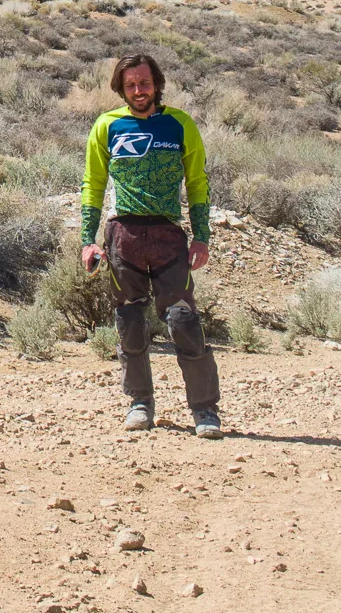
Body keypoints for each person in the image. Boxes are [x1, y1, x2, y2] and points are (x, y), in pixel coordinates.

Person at [79, 54, 222, 439]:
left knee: (183, 319)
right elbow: (92, 185)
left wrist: (202, 236)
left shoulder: (179, 124)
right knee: (129, 324)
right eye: (130, 85)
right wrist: (87, 240)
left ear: (157, 84)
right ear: (120, 88)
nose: (139, 91)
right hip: (123, 235)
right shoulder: (107, 126)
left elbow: (197, 183)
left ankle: (205, 410)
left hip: (168, 236)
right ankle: (139, 403)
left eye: (144, 83)